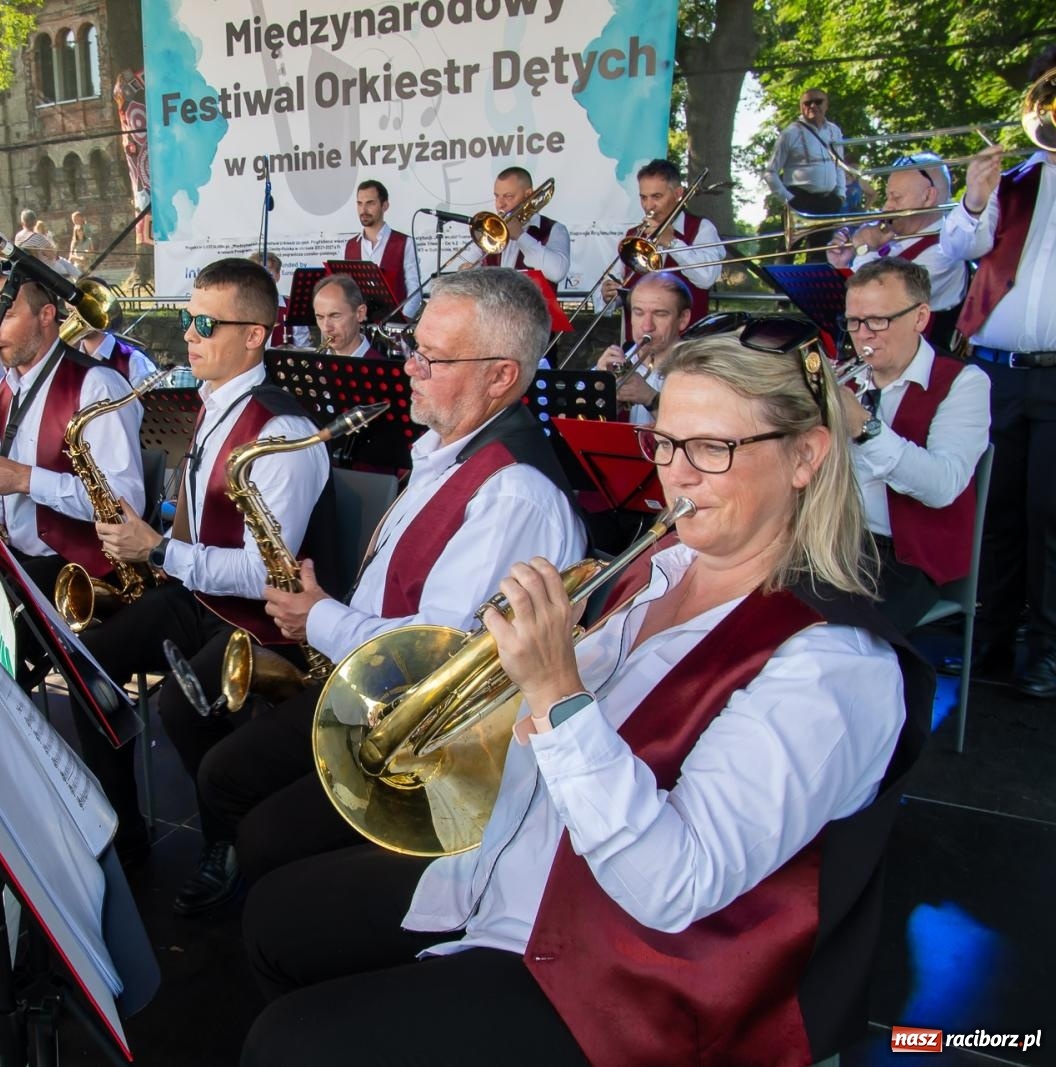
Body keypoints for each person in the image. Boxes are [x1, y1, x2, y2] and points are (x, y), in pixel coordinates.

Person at [240, 325, 931, 1067]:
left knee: (287, 1044)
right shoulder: (655, 569)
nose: (677, 476)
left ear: (806, 456)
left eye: (712, 449)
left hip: (636, 982)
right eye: (664, 443)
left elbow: (674, 884)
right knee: (272, 919)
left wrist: (559, 690)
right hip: (518, 873)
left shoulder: (831, 664)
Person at [194, 266, 588, 908]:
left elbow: (434, 657)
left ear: (500, 377)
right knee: (225, 773)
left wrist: (317, 618)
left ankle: (282, 930)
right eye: (414, 348)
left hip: (420, 745)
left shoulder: (514, 495)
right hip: (366, 689)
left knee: (265, 836)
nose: (409, 368)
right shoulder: (447, 449)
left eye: (432, 358)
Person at [71, 256, 331, 879]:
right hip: (197, 598)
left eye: (204, 324)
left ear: (252, 336)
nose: (188, 334)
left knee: (181, 711)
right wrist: (158, 544)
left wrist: (157, 551)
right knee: (86, 669)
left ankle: (227, 845)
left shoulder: (283, 432)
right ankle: (121, 831)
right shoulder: (213, 401)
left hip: (259, 625)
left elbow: (263, 574)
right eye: (188, 320)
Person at [936, 45, 1056, 694]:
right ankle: (989, 638)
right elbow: (959, 248)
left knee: (1051, 512)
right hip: (999, 371)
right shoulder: (1017, 184)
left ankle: (1046, 650)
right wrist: (975, 197)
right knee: (999, 509)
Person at [0, 266, 144, 597]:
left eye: (5, 315)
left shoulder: (97, 384)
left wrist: (24, 479)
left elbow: (125, 505)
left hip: (81, 573)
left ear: (46, 315)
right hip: (20, 558)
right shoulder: (4, 388)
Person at [835, 258, 988, 633]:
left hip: (907, 556)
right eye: (854, 322)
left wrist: (864, 427)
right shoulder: (845, 378)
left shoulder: (964, 383)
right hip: (836, 541)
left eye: (878, 320)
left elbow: (943, 485)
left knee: (842, 640)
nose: (863, 334)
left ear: (920, 317)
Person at [829, 153, 963, 349]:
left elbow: (878, 299)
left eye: (896, 197)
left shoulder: (945, 252)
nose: (886, 206)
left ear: (928, 197)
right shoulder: (892, 238)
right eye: (888, 196)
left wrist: (865, 250)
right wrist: (841, 263)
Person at [598, 159, 722, 322]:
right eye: (643, 197)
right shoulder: (631, 235)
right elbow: (617, 289)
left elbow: (707, 278)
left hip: (686, 343)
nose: (648, 206)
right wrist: (610, 295)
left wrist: (672, 242)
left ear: (678, 194)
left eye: (657, 196)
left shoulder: (702, 228)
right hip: (638, 341)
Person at [456, 167, 570, 304]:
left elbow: (557, 272)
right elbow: (467, 269)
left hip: (534, 320)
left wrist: (521, 237)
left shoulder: (554, 229)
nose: (500, 204)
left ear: (529, 195)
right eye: (496, 196)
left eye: (508, 196)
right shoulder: (489, 230)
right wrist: (466, 271)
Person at [593, 271, 693, 424]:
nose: (647, 326)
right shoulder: (617, 362)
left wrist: (650, 398)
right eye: (638, 313)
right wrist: (598, 388)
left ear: (683, 319)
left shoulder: (698, 370)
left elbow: (695, 429)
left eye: (660, 314)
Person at [342, 179, 422, 318]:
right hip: (358, 331)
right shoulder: (348, 246)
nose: (363, 210)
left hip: (394, 331)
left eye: (370, 203)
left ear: (385, 206)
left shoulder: (405, 243)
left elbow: (415, 290)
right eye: (359, 204)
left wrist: (401, 322)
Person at [767, 86, 848, 217]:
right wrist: (789, 199)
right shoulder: (790, 133)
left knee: (828, 238)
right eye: (807, 103)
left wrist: (841, 194)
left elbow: (840, 165)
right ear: (801, 107)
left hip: (830, 200)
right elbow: (770, 172)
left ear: (826, 105)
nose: (812, 106)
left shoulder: (835, 131)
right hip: (801, 199)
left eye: (818, 102)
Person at [310, 274, 381, 359]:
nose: (326, 328)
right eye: (320, 317)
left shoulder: (381, 368)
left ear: (360, 313)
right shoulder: (317, 364)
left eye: (335, 316)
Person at [73, 326, 159, 385]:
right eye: (69, 311)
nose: (73, 320)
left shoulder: (135, 360)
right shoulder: (67, 359)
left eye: (81, 312)